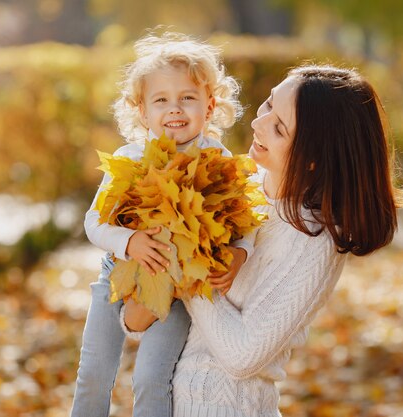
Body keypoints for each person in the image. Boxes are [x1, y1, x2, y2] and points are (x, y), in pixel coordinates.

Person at [123, 65, 403, 417]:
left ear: (314, 158)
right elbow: (137, 321)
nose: (259, 124)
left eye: (279, 127)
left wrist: (188, 267)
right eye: (268, 105)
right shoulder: (232, 184)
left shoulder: (314, 241)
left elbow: (244, 357)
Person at [71, 32, 254, 417]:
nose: (175, 108)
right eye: (161, 100)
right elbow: (93, 222)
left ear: (210, 105)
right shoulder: (130, 158)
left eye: (188, 97)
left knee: (152, 376)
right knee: (93, 372)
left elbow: (244, 216)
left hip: (176, 290)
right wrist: (129, 240)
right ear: (142, 110)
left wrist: (241, 252)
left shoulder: (216, 159)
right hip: (117, 274)